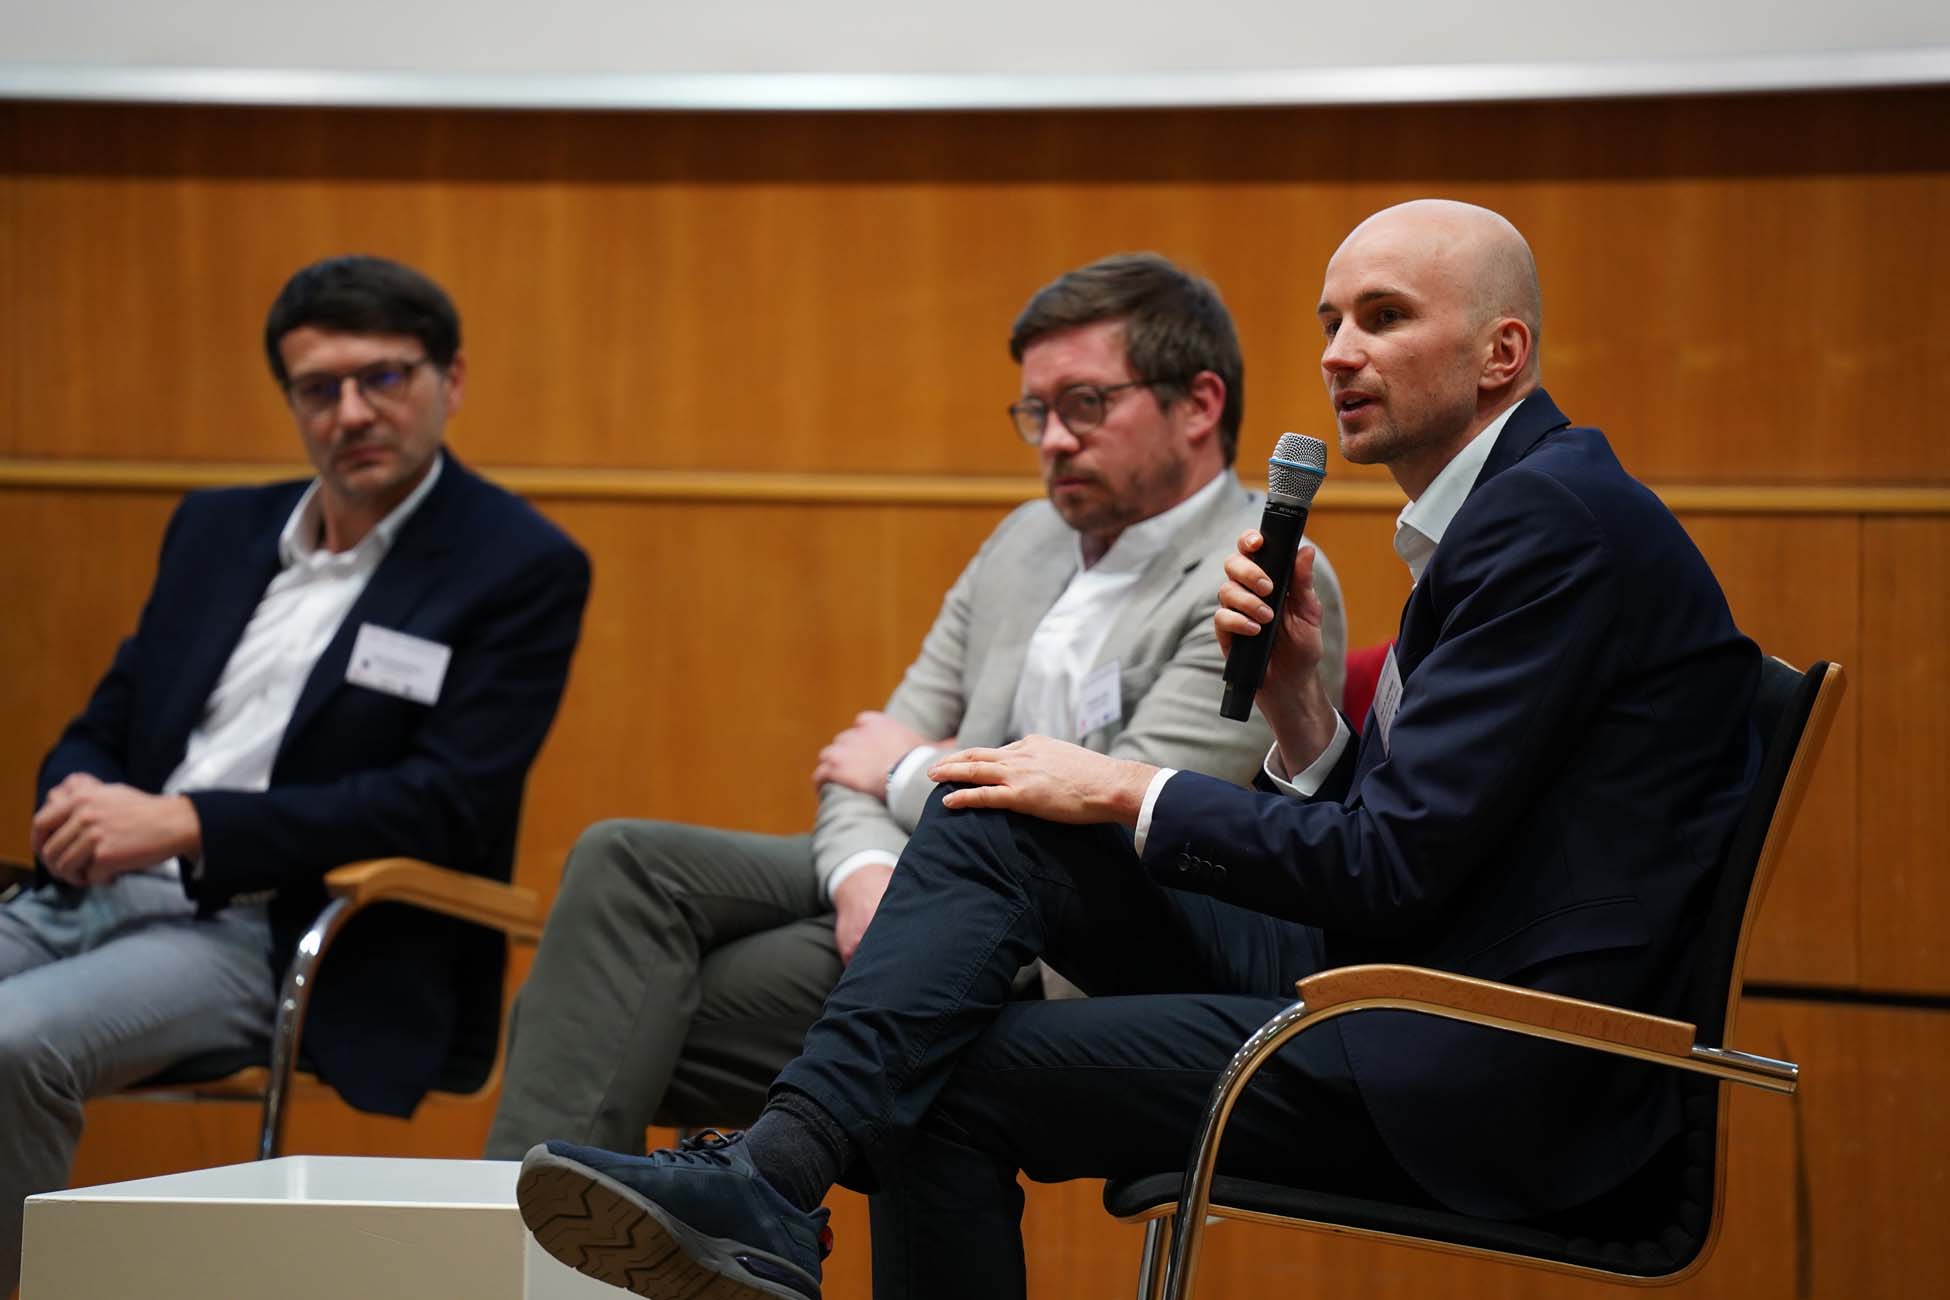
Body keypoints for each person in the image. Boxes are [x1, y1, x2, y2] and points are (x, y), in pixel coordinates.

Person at [514, 200, 1766, 1300]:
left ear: (1505, 351)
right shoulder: (1515, 513)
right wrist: (1300, 721)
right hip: (1394, 978)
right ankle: (776, 1182)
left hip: (1480, 1063)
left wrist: (1120, 783)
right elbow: (1424, 843)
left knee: (948, 1063)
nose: (1338, 353)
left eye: (1384, 317)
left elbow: (1395, 872)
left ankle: (773, 1182)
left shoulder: (1551, 526)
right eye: (1330, 319)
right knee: (1001, 805)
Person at [485, 252, 1348, 1159]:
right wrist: (863, 877)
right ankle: (524, 1233)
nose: (1054, 439)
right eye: (1036, 412)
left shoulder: (1261, 578)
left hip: (1062, 930)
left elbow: (1109, 820)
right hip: (918, 865)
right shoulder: (1025, 539)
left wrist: (904, 769)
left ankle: (534, 1253)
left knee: (610, 1008)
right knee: (626, 861)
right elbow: (855, 762)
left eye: (1085, 404)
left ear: (1199, 405)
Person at [0, 255, 590, 1290]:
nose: (351, 412)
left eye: (383, 378)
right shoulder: (218, 528)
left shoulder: (517, 564)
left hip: (266, 926)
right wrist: (78, 795)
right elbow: (110, 717)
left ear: (450, 381)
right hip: (91, 888)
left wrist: (188, 825)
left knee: (12, 1045)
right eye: (319, 388)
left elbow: (445, 802)